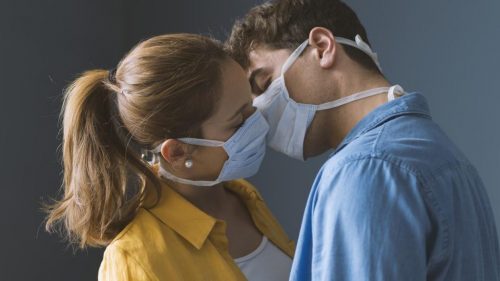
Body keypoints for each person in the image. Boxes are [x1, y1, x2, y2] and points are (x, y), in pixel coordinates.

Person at [226, 0, 500, 280]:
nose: (259, 112)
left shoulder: (365, 168)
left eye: (263, 83)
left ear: (322, 47)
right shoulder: (439, 153)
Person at [45, 33, 294, 281]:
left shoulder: (243, 196)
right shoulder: (135, 259)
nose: (258, 122)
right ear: (176, 152)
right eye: (239, 121)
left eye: (250, 104)